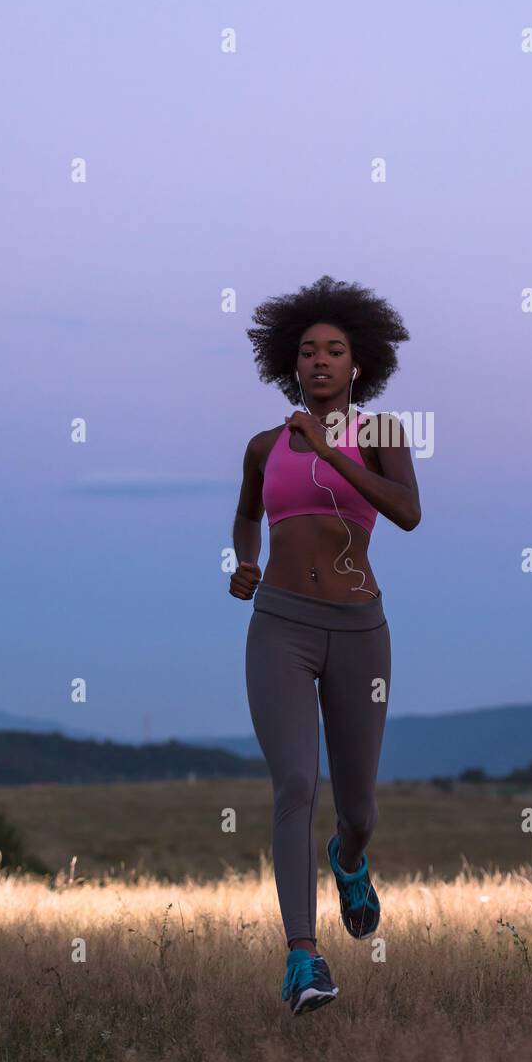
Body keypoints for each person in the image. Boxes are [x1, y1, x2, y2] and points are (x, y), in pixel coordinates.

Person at [229, 275, 421, 1015]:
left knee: (358, 805)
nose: (319, 362)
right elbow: (246, 516)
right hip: (279, 625)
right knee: (294, 787)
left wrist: (332, 453)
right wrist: (243, 561)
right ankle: (302, 960)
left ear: (357, 366)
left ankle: (349, 857)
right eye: (306, 352)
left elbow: (407, 513)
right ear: (290, 364)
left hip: (361, 633)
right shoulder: (261, 445)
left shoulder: (380, 436)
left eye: (334, 352)